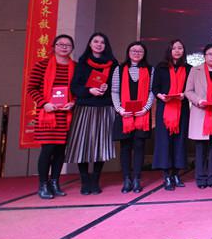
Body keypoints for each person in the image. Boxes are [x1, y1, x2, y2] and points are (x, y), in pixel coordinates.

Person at [65, 32, 117, 195]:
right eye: (96, 41)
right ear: (90, 44)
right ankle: (84, 180)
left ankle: (95, 180)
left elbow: (117, 87)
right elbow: (75, 87)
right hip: (85, 107)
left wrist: (106, 88)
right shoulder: (82, 63)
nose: (99, 44)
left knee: (101, 145)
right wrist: (89, 90)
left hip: (104, 107)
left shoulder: (113, 64)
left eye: (102, 42)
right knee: (82, 145)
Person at [26, 34, 76, 199]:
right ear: (54, 47)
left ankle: (55, 182)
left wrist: (73, 102)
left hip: (66, 116)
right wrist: (44, 103)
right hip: (47, 115)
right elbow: (32, 88)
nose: (64, 47)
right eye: (60, 44)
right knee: (47, 150)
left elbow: (78, 90)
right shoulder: (42, 65)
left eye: (68, 45)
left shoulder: (75, 67)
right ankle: (43, 184)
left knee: (60, 151)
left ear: (72, 48)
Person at [111, 41, 155, 193]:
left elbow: (151, 91)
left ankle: (137, 178)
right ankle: (126, 179)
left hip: (142, 115)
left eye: (140, 51)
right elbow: (114, 91)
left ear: (144, 54)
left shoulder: (150, 69)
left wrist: (146, 108)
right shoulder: (119, 69)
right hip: (124, 115)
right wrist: (120, 109)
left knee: (139, 146)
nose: (136, 53)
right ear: (128, 53)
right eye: (133, 51)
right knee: (125, 147)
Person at [184, 44, 212, 188]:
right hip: (200, 113)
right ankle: (200, 178)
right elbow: (188, 91)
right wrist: (198, 101)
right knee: (200, 148)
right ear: (205, 56)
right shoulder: (195, 70)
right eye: (210, 54)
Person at [152, 39, 190, 190]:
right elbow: (155, 88)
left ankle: (176, 174)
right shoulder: (161, 67)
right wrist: (160, 96)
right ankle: (166, 175)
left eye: (180, 48)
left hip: (182, 108)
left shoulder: (188, 68)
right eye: (174, 48)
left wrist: (184, 95)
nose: (177, 51)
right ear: (169, 50)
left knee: (179, 141)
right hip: (165, 108)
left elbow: (191, 88)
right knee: (165, 141)